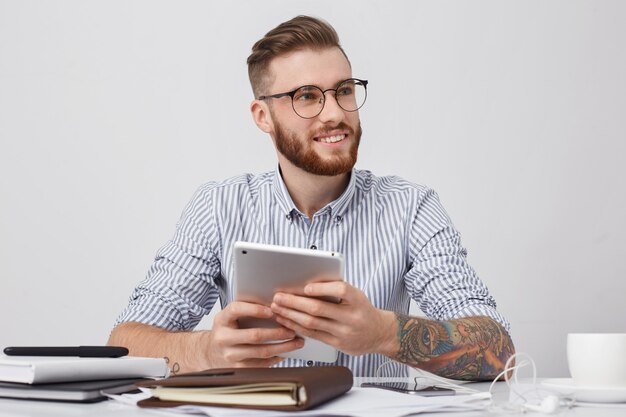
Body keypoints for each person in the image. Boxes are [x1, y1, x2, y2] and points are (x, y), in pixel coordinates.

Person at [108, 15, 515, 379]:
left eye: (344, 90)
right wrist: (206, 350)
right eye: (306, 96)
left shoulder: (411, 207)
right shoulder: (219, 207)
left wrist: (383, 333)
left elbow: (500, 353)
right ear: (262, 116)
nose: (334, 113)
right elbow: (123, 347)